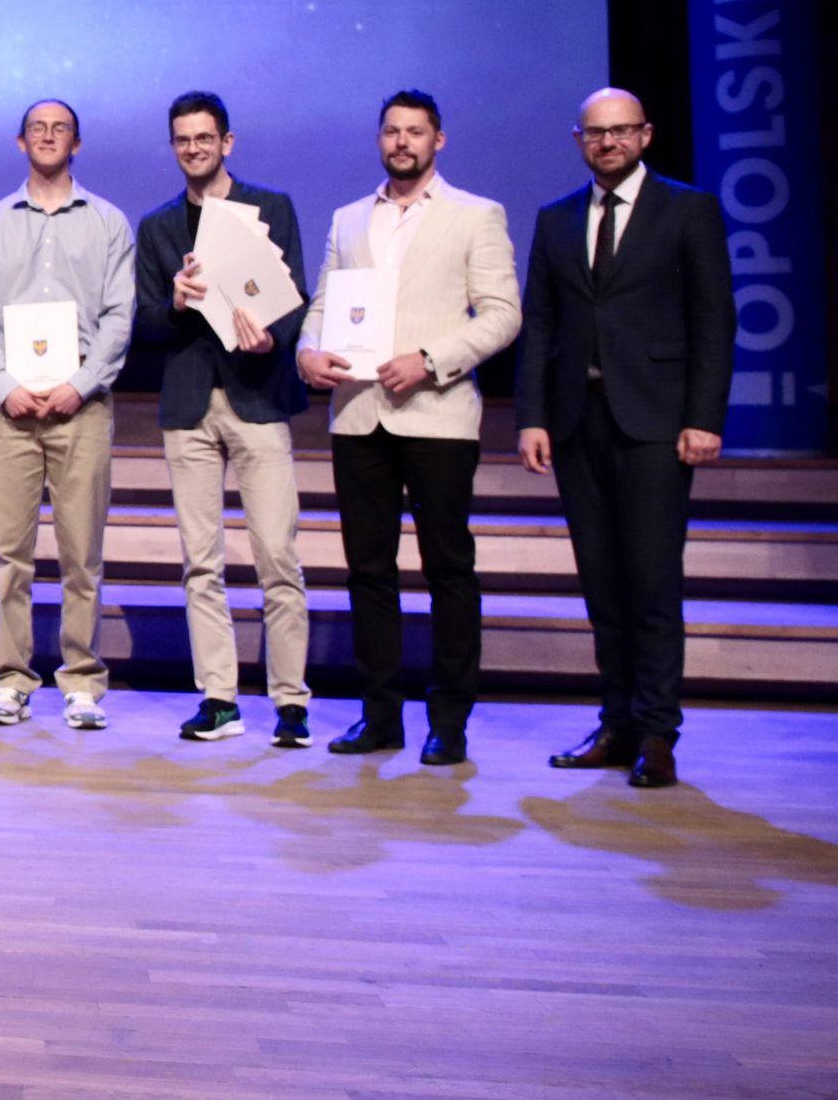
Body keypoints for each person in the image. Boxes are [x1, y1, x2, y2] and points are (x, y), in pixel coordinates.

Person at [517, 88, 734, 790]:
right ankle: (616, 723)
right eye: (594, 132)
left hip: (656, 422)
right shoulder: (555, 218)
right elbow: (540, 325)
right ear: (579, 139)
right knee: (602, 585)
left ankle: (658, 732)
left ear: (645, 135)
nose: (607, 142)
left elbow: (714, 320)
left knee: (652, 582)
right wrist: (532, 416)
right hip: (577, 422)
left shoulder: (687, 209)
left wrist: (704, 417)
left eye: (620, 131)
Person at [298, 89, 520, 765]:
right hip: (358, 414)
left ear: (437, 140)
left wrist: (430, 361)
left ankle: (448, 719)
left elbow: (502, 313)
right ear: (379, 140)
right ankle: (380, 713)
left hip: (438, 414)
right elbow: (324, 304)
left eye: (415, 132)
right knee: (369, 570)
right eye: (392, 131)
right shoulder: (348, 218)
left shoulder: (476, 214)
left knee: (448, 567)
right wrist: (308, 351)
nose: (402, 142)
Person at [131, 91, 312, 746]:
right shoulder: (157, 225)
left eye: (204, 138)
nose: (193, 148)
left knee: (277, 556)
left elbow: (295, 299)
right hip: (189, 405)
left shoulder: (271, 207)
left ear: (226, 142)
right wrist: (176, 304)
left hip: (257, 396)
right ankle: (219, 698)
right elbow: (145, 322)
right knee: (200, 562)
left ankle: (290, 702)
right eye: (183, 139)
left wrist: (270, 340)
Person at [0, 100, 135, 731]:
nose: (47, 136)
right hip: (7, 410)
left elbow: (119, 316)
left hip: (81, 407)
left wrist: (81, 384)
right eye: (37, 128)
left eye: (60, 129)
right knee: (8, 553)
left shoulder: (109, 222)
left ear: (76, 144)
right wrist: (5, 385)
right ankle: (10, 680)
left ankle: (82, 682)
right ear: (21, 142)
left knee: (81, 554)